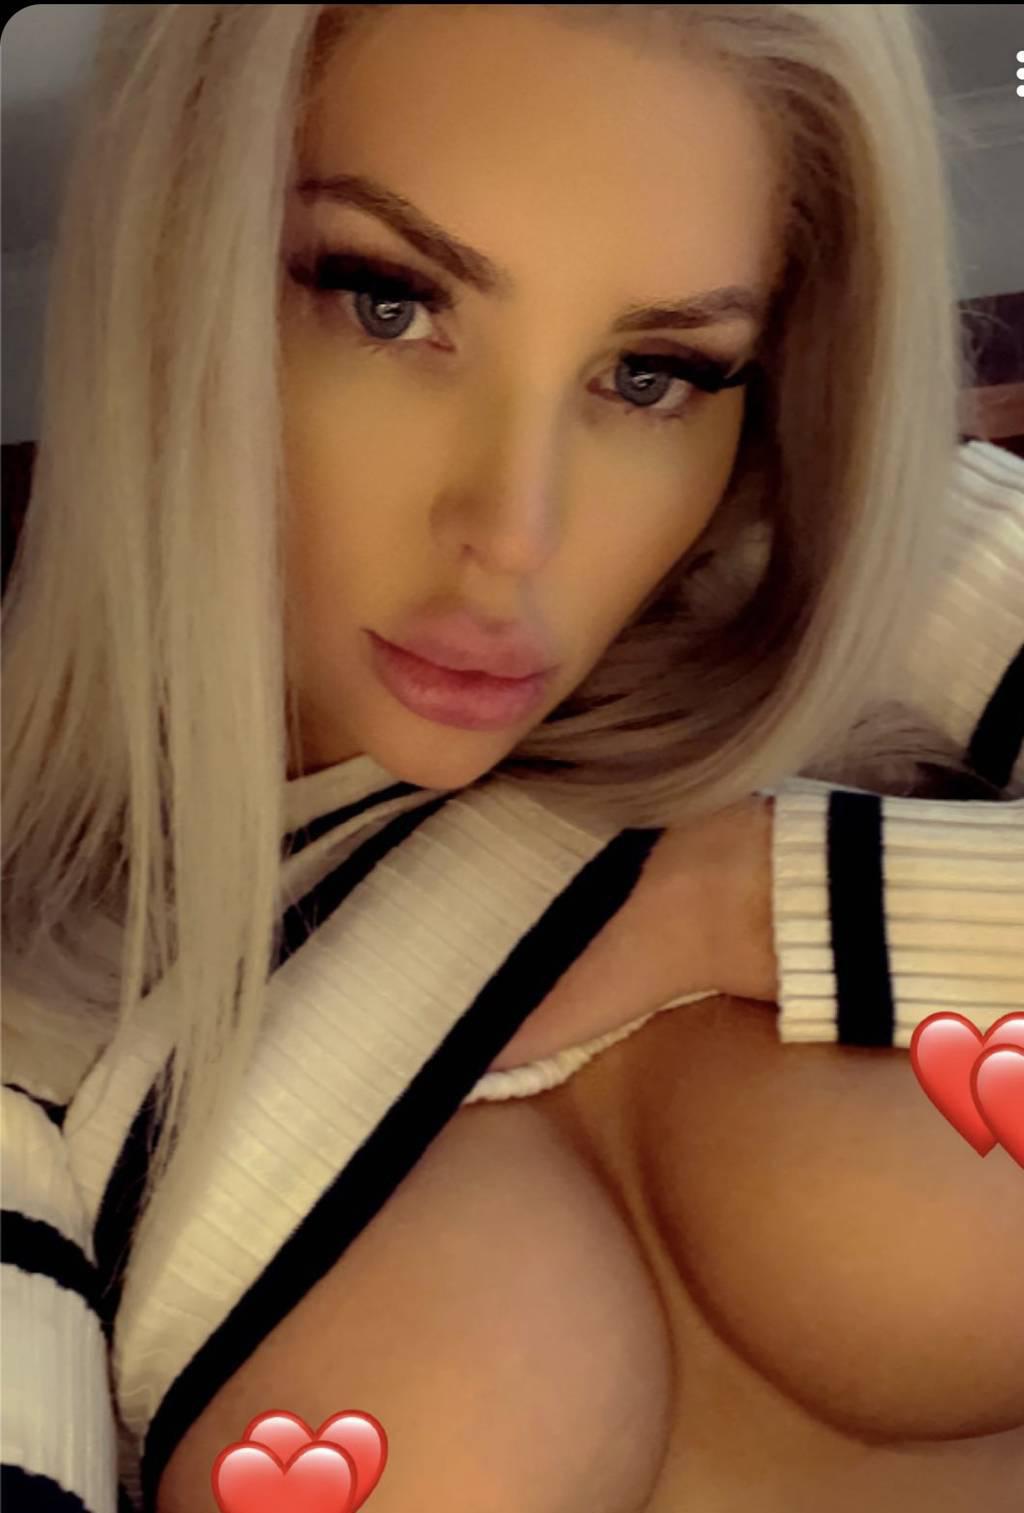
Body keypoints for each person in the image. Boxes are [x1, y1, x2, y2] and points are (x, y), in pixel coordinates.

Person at [2, 6, 1021, 1512]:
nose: (515, 533)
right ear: (176, 274)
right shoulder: (29, 1014)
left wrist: (747, 894)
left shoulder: (847, 570)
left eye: (655, 373)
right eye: (388, 303)